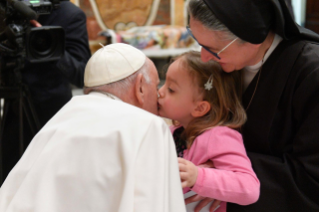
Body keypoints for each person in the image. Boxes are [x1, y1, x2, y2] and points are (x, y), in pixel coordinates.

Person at [0, 43, 186, 212]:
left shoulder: (60, 119)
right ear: (140, 87)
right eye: (155, 85)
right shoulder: (148, 126)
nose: (159, 95)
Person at [186, 0, 319, 211]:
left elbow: (311, 178)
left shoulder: (311, 72)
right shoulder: (225, 64)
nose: (204, 58)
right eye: (197, 42)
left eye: (213, 49)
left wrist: (225, 179)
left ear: (252, 38)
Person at [157, 51, 260, 212]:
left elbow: (249, 189)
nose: (160, 92)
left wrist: (198, 177)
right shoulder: (172, 132)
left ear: (200, 107)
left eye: (171, 89)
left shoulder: (219, 136)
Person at [1, 0, 91, 182]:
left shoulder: (69, 14)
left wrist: (47, 46)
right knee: (9, 179)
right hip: (14, 107)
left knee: (49, 181)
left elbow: (82, 74)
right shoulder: (8, 10)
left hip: (52, 113)